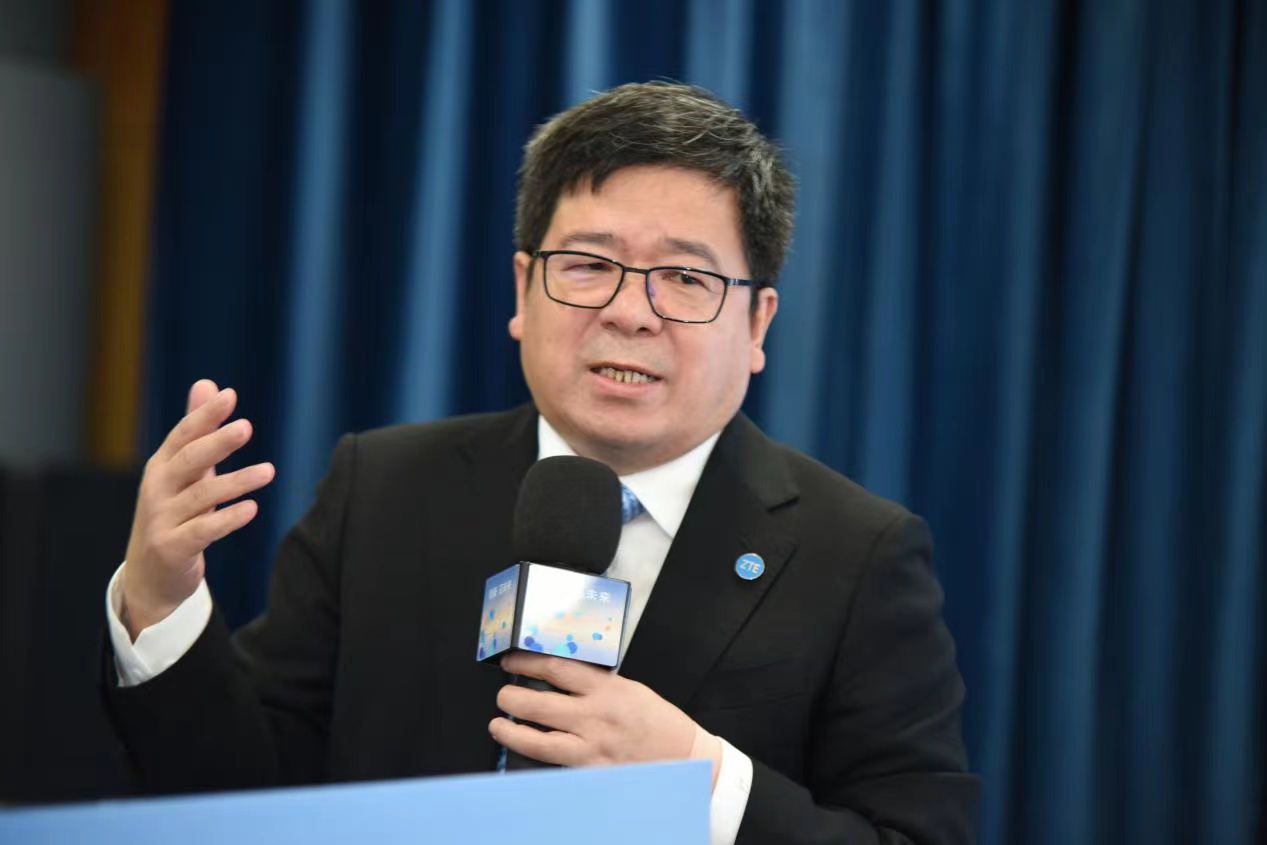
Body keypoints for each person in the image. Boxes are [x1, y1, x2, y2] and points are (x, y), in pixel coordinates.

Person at [105, 82, 979, 844]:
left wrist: (697, 774)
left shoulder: (856, 555)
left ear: (756, 324)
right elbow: (243, 794)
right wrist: (159, 599)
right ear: (523, 288)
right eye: (588, 264)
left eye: (684, 278)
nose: (630, 312)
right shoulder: (384, 489)